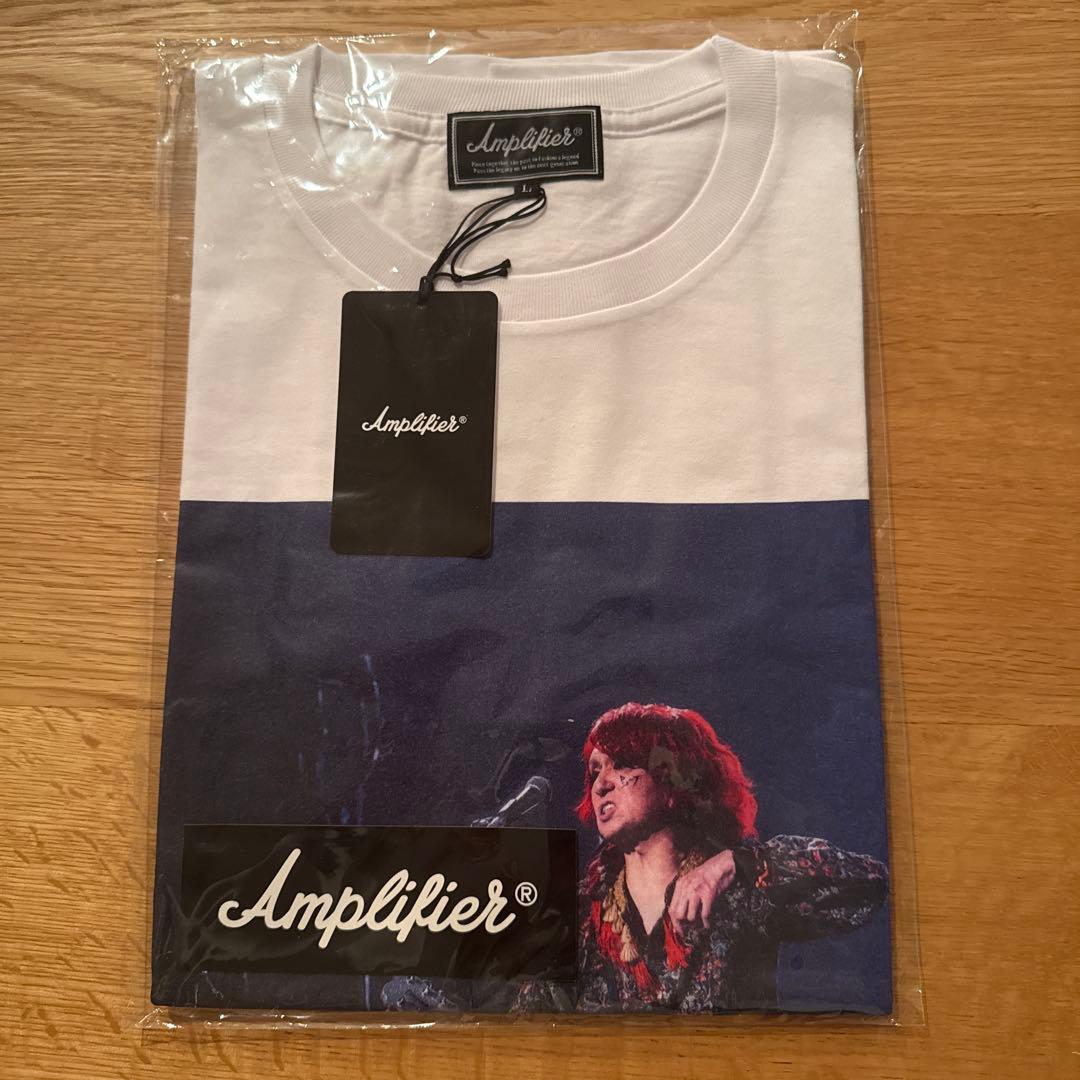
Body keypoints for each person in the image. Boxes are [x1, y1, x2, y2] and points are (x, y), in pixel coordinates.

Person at [519, 701, 889, 1013]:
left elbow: (868, 884)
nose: (601, 784)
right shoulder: (581, 914)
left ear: (675, 778)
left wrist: (735, 864)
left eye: (623, 764)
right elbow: (529, 1024)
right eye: (595, 770)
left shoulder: (737, 886)